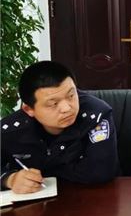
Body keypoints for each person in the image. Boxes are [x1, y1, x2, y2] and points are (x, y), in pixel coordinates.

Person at [1, 61, 119, 193]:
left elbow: (100, 172)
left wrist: (46, 169)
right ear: (29, 109)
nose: (66, 108)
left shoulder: (96, 115)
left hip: (93, 196)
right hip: (36, 200)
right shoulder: (11, 130)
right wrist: (9, 179)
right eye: (53, 104)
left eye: (71, 95)